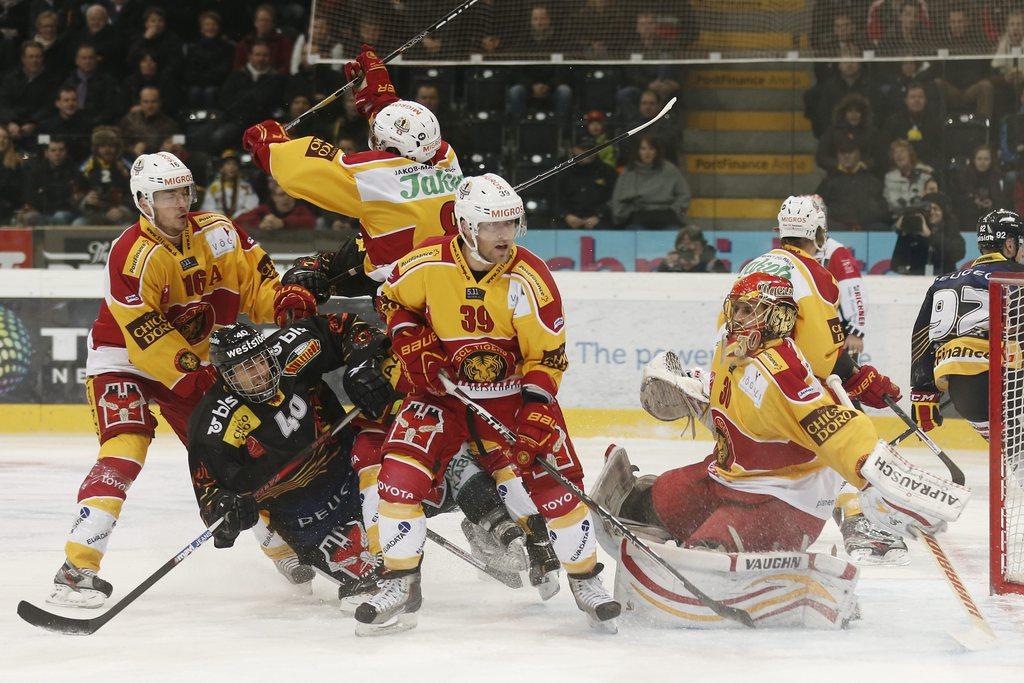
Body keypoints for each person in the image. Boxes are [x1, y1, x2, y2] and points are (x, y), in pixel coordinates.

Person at [592, 273, 964, 624]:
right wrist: (692, 388)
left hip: (782, 503)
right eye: (735, 308)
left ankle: (795, 585)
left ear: (779, 317)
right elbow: (732, 401)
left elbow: (836, 427)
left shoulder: (779, 372)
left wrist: (885, 479)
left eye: (747, 310)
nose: (736, 318)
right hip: (729, 479)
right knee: (640, 505)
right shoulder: (729, 348)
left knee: (703, 560)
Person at [48, 151, 315, 608]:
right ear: (143, 201)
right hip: (122, 361)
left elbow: (258, 285)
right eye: (166, 194)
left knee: (240, 450)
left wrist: (284, 300)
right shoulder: (132, 253)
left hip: (189, 361)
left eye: (183, 190)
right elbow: (144, 336)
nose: (179, 201)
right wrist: (202, 385)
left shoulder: (220, 232)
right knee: (125, 448)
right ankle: (77, 567)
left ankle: (284, 547)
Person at [357, 173, 619, 636]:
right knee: (398, 478)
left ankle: (585, 581)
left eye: (511, 224)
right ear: (464, 226)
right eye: (493, 226)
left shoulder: (531, 276)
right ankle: (400, 582)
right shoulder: (426, 263)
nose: (505, 236)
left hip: (513, 398)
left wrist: (537, 415)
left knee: (558, 491)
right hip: (441, 395)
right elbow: (391, 300)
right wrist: (412, 341)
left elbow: (548, 356)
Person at [189, 317, 527, 609]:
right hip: (305, 513)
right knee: (368, 583)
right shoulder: (214, 425)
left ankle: (481, 529)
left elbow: (347, 328)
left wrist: (361, 365)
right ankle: (280, 548)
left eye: (260, 361)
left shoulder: (289, 351)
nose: (259, 373)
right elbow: (210, 496)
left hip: (351, 466)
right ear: (224, 377)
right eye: (244, 370)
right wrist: (228, 510)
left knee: (438, 471)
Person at [742, 195, 906, 564]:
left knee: (768, 461)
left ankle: (749, 517)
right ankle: (862, 524)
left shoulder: (752, 265)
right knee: (846, 437)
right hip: (784, 388)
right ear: (817, 232)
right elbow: (822, 355)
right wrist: (858, 376)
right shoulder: (813, 273)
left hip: (739, 390)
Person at [242, 44, 462, 295]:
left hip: (403, 291)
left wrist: (269, 145)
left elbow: (304, 171)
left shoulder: (374, 179)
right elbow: (403, 131)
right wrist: (377, 93)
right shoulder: (445, 155)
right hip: (449, 277)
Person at [911, 209, 1024, 442]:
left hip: (965, 397)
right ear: (1010, 244)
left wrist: (923, 392)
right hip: (1009, 384)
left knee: (1014, 456)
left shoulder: (942, 283)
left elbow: (922, 339)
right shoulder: (1016, 277)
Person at [611, 135, 690, 230]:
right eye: (643, 149)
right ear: (638, 151)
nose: (647, 153)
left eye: (651, 149)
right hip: (638, 217)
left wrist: (674, 210)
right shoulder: (628, 172)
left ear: (656, 151)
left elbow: (684, 194)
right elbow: (618, 200)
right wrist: (627, 212)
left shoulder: (670, 170)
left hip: (667, 216)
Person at [814, 138, 891, 230]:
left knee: (882, 228)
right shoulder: (829, 181)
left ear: (858, 154)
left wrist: (864, 220)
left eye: (850, 152)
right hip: (838, 228)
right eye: (842, 153)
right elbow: (816, 207)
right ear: (838, 156)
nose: (846, 156)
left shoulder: (871, 180)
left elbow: (883, 209)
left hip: (868, 227)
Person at [555, 136, 617, 230]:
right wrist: (566, 215)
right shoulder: (564, 172)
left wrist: (599, 216)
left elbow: (615, 198)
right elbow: (555, 197)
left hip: (600, 222)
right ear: (574, 150)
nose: (588, 152)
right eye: (583, 149)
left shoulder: (608, 172)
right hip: (568, 222)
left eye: (591, 149)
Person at [16, 136, 78, 225]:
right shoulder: (37, 172)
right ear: (46, 153)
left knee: (60, 216)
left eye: (61, 150)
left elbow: (72, 199)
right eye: (53, 150)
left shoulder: (74, 171)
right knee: (28, 217)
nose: (57, 153)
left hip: (66, 213)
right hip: (42, 212)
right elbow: (30, 196)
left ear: (66, 152)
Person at [953, 145, 1010, 230]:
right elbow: (959, 199)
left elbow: (1004, 200)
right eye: (979, 159)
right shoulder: (964, 177)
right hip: (969, 216)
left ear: (991, 161)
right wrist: (974, 201)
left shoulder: (999, 177)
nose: (982, 162)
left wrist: (992, 204)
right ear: (974, 160)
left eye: (986, 159)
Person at [234, 178, 318, 232]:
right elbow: (238, 221)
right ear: (274, 197)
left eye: (289, 195)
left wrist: (283, 223)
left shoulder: (300, 209)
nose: (286, 198)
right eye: (281, 195)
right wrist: (259, 224)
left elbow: (311, 222)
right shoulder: (264, 209)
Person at [118, 86, 180, 156]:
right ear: (140, 103)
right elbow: (118, 143)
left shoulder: (170, 124)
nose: (149, 106)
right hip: (131, 161)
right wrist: (132, 149)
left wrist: (172, 146)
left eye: (153, 102)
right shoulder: (128, 120)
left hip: (160, 162)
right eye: (146, 102)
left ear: (160, 103)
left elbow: (181, 143)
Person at [200, 149, 259, 219]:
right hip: (219, 223)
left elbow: (252, 206)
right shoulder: (214, 187)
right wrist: (221, 217)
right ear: (221, 168)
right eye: (228, 164)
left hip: (241, 223)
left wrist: (236, 216)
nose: (232, 167)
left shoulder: (246, 187)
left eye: (234, 164)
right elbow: (207, 208)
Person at [883, 138, 933, 216]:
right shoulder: (890, 178)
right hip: (899, 219)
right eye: (895, 152)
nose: (899, 155)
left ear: (910, 154)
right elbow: (894, 205)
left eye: (902, 151)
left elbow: (929, 202)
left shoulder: (925, 175)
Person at [656, 225, 728, 273]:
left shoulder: (713, 264)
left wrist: (701, 266)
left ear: (702, 246)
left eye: (694, 245)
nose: (690, 249)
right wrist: (666, 265)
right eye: (684, 246)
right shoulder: (671, 265)